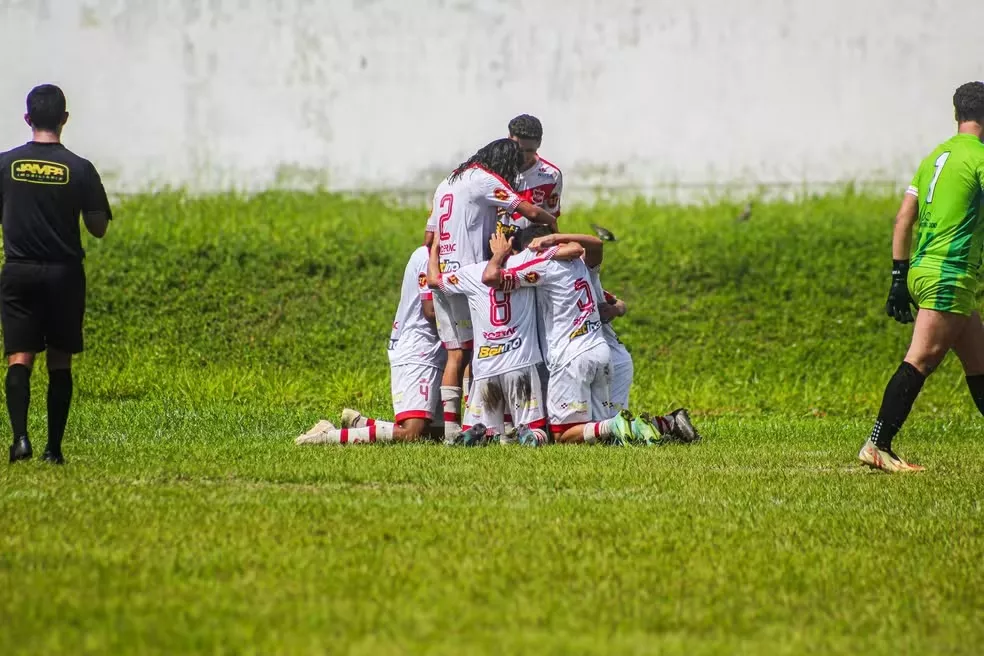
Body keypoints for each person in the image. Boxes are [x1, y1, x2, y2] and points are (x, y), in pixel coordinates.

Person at [860, 81, 984, 472]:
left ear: (957, 115)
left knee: (980, 364)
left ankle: (879, 443)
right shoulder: (979, 158)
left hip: (921, 269)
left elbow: (903, 219)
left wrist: (899, 278)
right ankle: (878, 444)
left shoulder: (933, 158)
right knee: (921, 359)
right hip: (949, 274)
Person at [1, 84, 112, 465]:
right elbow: (98, 227)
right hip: (63, 275)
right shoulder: (80, 168)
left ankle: (19, 440)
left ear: (27, 118)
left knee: (20, 357)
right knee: (59, 360)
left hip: (18, 271)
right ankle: (54, 449)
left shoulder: (5, 164)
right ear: (64, 119)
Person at [422, 139, 558, 442]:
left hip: (445, 273)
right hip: (475, 274)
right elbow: (530, 212)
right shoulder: (484, 179)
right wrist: (553, 224)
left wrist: (436, 256)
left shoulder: (447, 182)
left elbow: (429, 233)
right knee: (482, 349)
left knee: (456, 353)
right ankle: (488, 425)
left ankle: (452, 430)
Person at [483, 226, 634, 444]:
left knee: (562, 434)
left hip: (571, 356)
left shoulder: (538, 264)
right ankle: (646, 425)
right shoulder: (580, 263)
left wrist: (499, 253)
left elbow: (492, 277)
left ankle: (620, 423)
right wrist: (557, 239)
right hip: (601, 350)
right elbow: (595, 244)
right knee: (599, 436)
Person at [427, 231, 575, 446]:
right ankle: (529, 435)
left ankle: (474, 435)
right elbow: (575, 250)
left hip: (486, 369)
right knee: (536, 429)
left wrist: (435, 249)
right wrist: (550, 239)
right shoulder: (525, 262)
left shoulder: (470, 273)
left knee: (481, 430)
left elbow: (433, 281)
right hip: (521, 365)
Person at [295, 246, 445, 445]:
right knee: (412, 433)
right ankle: (326, 435)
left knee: (437, 434)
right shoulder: (427, 255)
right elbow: (431, 311)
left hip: (434, 349)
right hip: (419, 349)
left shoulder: (448, 250)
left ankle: (359, 423)